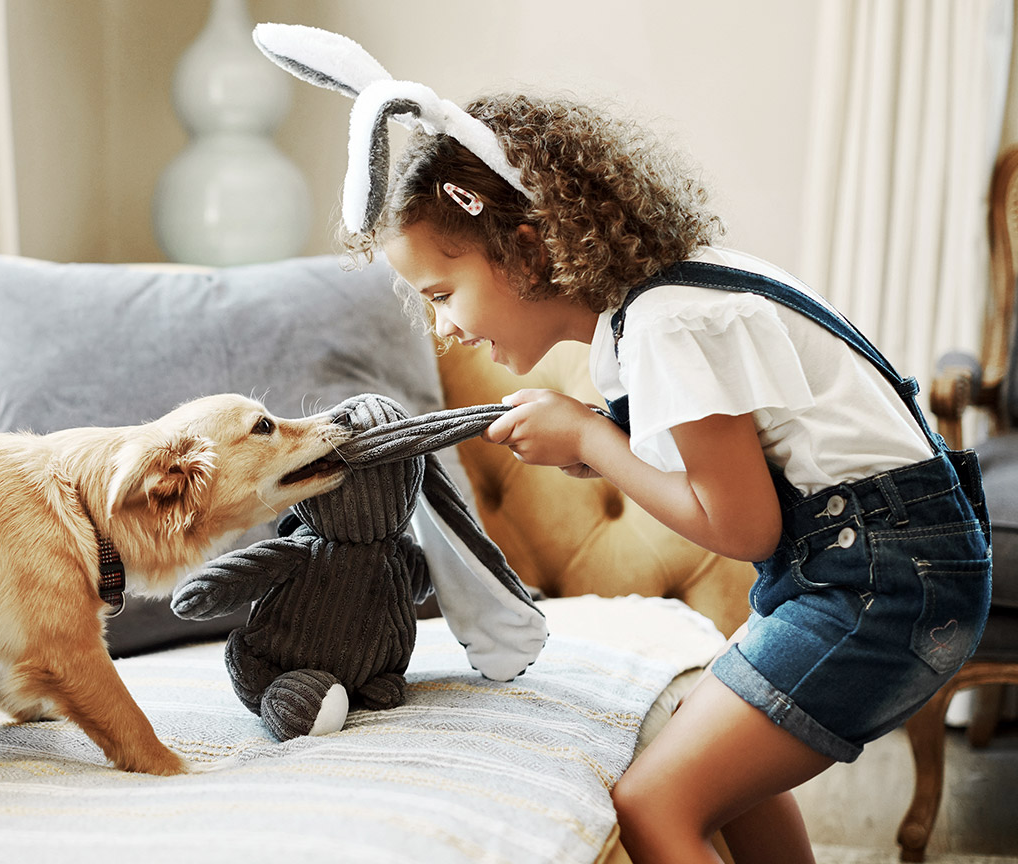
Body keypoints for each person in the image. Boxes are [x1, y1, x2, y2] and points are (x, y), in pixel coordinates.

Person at [351, 92, 993, 863]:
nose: (443, 327)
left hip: (882, 584)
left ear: (524, 249)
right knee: (724, 764)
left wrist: (591, 434)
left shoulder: (667, 323)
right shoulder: (661, 301)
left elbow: (742, 526)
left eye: (443, 296)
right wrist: (593, 444)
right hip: (881, 565)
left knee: (654, 804)